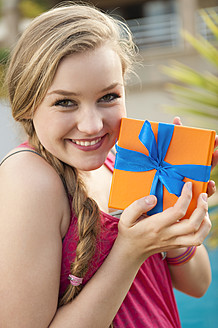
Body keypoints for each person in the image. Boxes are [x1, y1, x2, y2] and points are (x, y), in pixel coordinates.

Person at [0, 3, 218, 328]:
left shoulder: (123, 161)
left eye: (108, 97)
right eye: (65, 102)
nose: (91, 125)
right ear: (27, 105)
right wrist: (130, 251)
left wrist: (177, 217)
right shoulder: (30, 179)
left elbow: (198, 284)